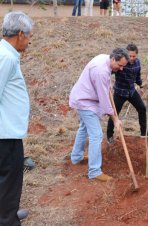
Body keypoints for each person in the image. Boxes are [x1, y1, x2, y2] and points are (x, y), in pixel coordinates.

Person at [69, 48, 129, 181]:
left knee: (84, 128)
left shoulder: (104, 58)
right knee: (96, 135)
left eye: (123, 66)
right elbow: (104, 100)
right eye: (119, 66)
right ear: (113, 59)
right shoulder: (102, 71)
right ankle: (94, 171)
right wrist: (115, 119)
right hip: (85, 102)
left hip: (83, 96)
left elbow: (105, 87)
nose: (121, 69)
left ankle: (76, 157)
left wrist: (109, 86)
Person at [0, 11, 33, 226]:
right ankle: (7, 220)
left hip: (8, 131)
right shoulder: (6, 57)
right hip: (5, 134)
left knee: (7, 180)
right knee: (9, 179)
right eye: (29, 36)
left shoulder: (7, 54)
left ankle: (7, 213)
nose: (29, 41)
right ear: (20, 34)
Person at [107, 44, 148, 143]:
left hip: (131, 91)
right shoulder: (121, 63)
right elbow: (109, 71)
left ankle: (143, 132)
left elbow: (137, 77)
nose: (132, 58)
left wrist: (141, 85)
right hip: (120, 92)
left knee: (142, 108)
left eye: (134, 56)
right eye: (130, 56)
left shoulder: (137, 63)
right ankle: (109, 135)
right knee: (114, 113)